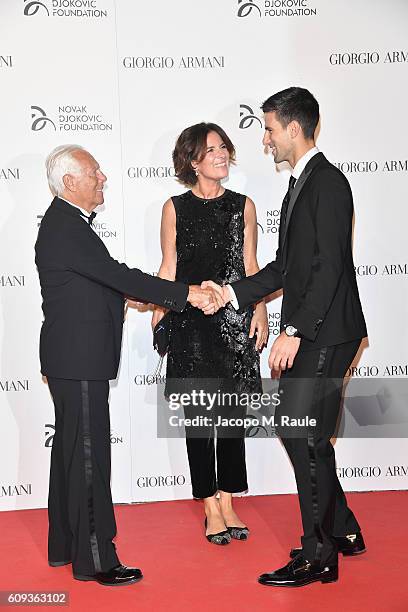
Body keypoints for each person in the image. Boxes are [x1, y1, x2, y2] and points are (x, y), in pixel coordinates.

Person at [35, 144, 223, 587]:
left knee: (70, 452)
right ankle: (97, 558)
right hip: (78, 358)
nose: (103, 178)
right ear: (69, 183)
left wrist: (129, 295)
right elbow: (116, 274)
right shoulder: (66, 226)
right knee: (87, 457)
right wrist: (186, 293)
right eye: (94, 172)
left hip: (71, 356)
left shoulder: (66, 224)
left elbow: (99, 278)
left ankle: (65, 545)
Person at [204, 87, 367, 585]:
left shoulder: (327, 183)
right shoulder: (301, 183)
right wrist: (230, 293)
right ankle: (341, 529)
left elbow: (329, 267)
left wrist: (294, 328)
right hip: (317, 328)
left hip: (326, 330)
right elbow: (286, 268)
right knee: (302, 431)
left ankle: (319, 556)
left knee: (302, 431)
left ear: (294, 129)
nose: (265, 138)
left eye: (269, 129)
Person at [151, 123, 268, 545]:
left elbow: (251, 268)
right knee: (200, 419)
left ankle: (229, 497)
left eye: (223, 147)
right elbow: (168, 267)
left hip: (234, 323)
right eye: (210, 149)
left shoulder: (243, 206)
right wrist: (162, 308)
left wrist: (262, 311)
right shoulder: (174, 208)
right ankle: (209, 505)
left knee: (232, 417)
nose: (220, 155)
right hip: (191, 326)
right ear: (192, 161)